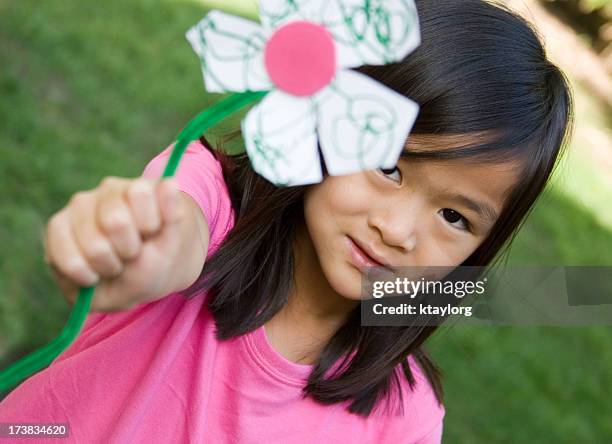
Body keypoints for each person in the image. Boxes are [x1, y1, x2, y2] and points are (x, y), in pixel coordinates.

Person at [0, 0, 573, 442]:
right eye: (387, 166)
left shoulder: (404, 419)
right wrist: (130, 249)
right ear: (326, 116)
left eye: (454, 216)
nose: (398, 231)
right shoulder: (211, 202)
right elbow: (172, 233)